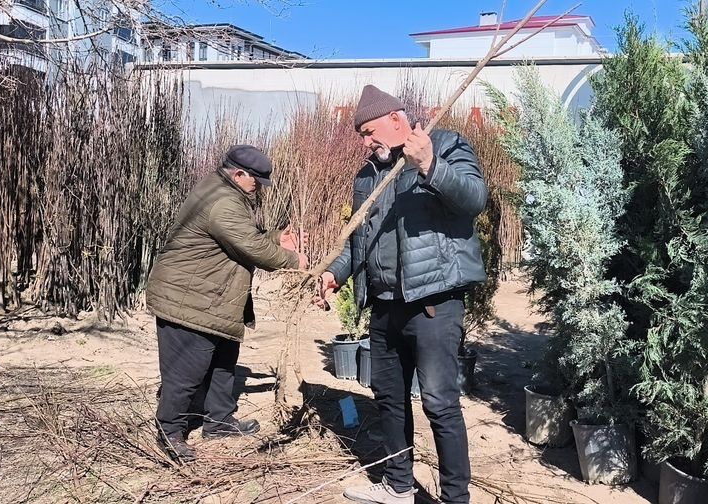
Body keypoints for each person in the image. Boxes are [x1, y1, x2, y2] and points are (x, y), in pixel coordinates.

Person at [318, 85, 487, 504]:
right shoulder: (367, 176)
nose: (364, 141)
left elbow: (475, 199)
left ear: (396, 120)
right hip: (385, 305)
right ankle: (398, 485)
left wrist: (430, 165)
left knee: (439, 403)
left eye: (369, 131)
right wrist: (336, 272)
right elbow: (359, 242)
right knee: (390, 399)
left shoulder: (445, 144)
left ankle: (454, 498)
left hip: (433, 303)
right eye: (361, 134)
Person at [146, 145, 307, 462]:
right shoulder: (224, 201)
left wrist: (275, 237)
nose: (258, 187)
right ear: (239, 174)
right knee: (185, 372)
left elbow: (246, 235)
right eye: (256, 180)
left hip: (210, 299)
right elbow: (251, 247)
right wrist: (294, 259)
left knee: (223, 361)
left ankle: (219, 422)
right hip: (189, 301)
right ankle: (170, 431)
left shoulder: (223, 192)